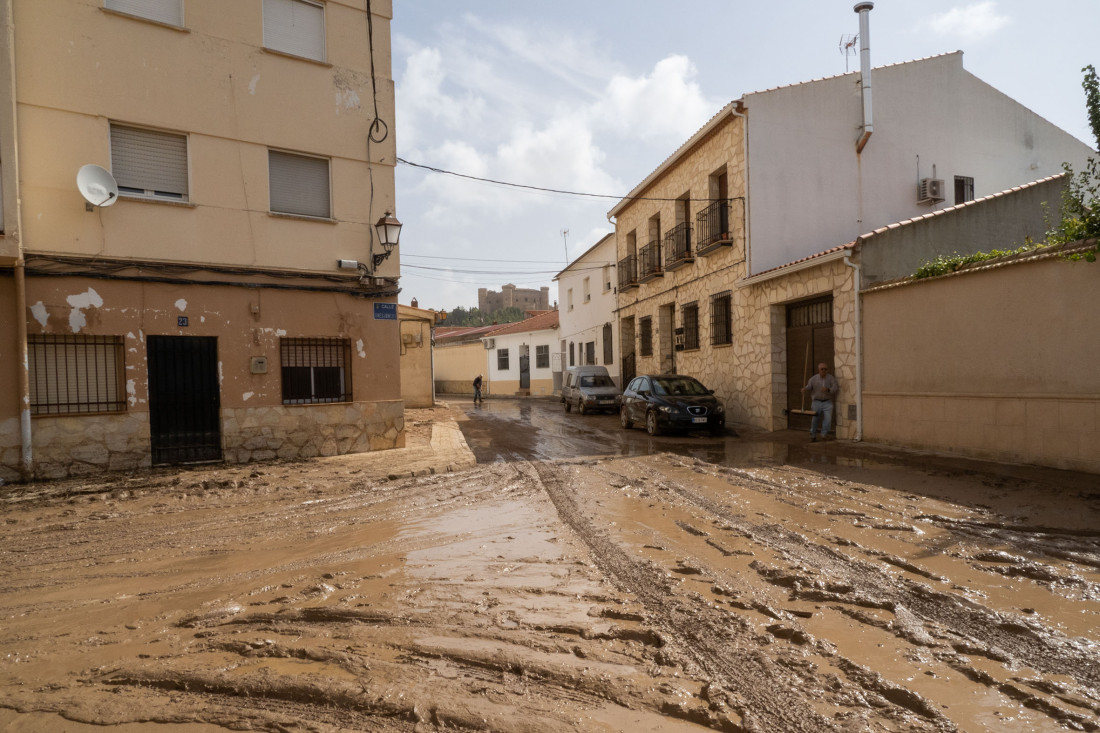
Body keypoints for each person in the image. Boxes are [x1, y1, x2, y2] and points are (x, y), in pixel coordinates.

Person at [801, 363, 838, 442]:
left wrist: (828, 389)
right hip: (816, 402)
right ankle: (813, 435)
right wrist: (805, 389)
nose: (824, 370)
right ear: (819, 370)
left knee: (828, 420)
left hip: (827, 402)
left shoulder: (831, 378)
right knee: (815, 419)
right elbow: (809, 387)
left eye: (825, 369)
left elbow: (835, 388)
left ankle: (824, 434)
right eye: (822, 369)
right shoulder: (813, 379)